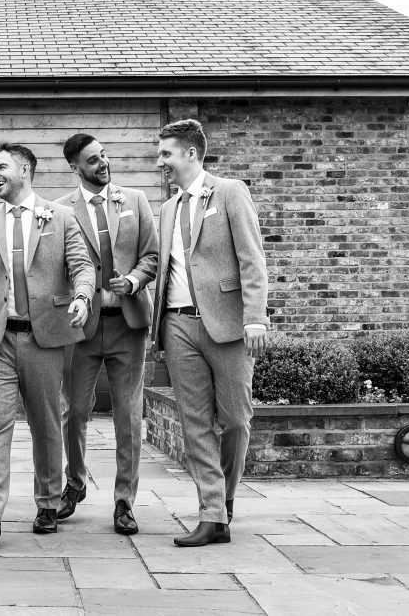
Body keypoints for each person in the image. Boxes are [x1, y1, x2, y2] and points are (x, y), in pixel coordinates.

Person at [0, 142, 95, 545]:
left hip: (44, 337)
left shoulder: (62, 217)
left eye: (0, 167)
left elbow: (82, 266)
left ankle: (49, 503)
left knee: (46, 424)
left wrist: (83, 296)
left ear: (24, 170)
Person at [150, 118, 268, 547]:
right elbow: (162, 267)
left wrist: (256, 317)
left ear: (190, 154)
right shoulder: (166, 209)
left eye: (166, 153)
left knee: (236, 419)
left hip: (230, 324)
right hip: (177, 323)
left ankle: (223, 500)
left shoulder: (230, 192)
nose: (160, 161)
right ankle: (212, 514)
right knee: (194, 422)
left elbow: (252, 258)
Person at [57, 133, 159, 534]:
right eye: (93, 160)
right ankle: (75, 484)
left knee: (128, 417)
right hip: (80, 327)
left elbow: (152, 254)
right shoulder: (60, 211)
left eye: (104, 156)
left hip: (128, 325)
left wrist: (133, 281)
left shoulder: (135, 201)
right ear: (75, 168)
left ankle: (123, 502)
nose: (103, 163)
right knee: (74, 412)